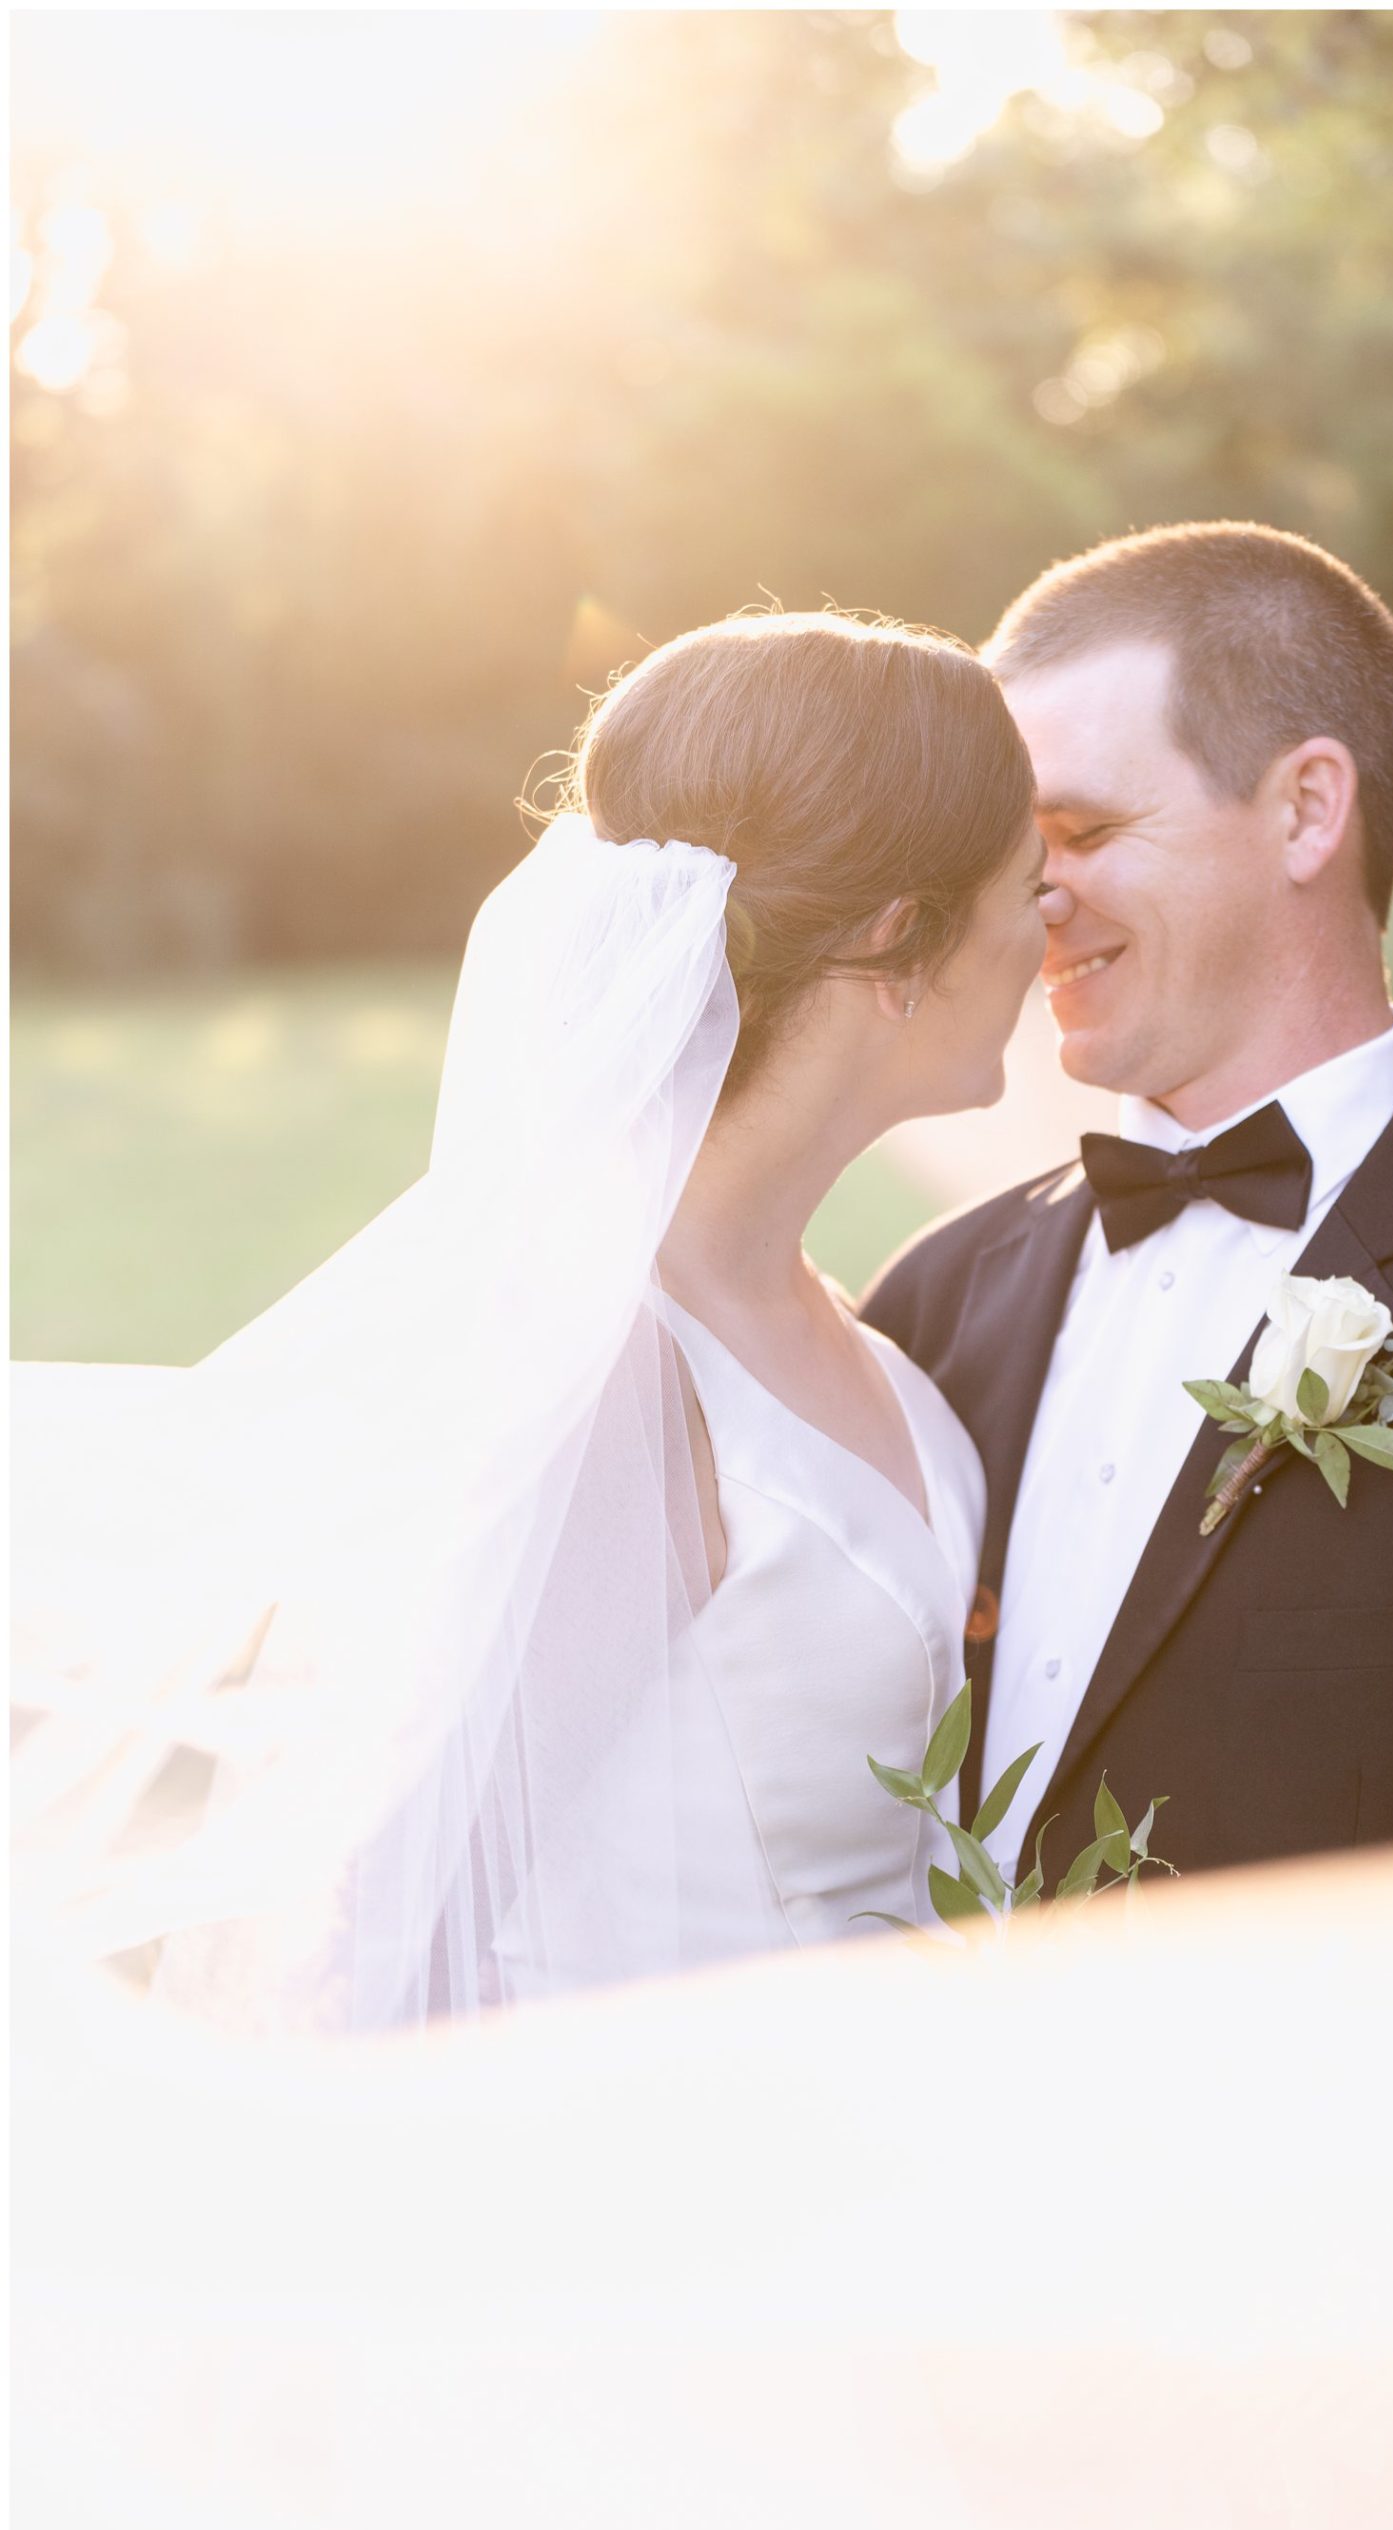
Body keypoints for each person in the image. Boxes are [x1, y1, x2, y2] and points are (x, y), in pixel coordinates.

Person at [12, 610, 1048, 2025]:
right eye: (1028, 886)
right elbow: (396, 1920)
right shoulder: (611, 1379)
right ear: (898, 938)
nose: (1046, 933)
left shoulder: (851, 1333)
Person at [863, 522, 1393, 1889]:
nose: (1031, 897)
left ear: (1309, 808)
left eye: (1080, 830)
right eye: (1015, 849)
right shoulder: (929, 1301)